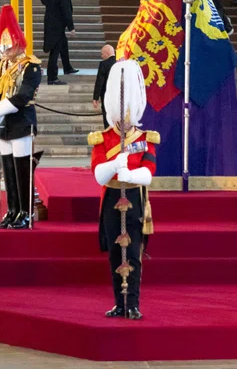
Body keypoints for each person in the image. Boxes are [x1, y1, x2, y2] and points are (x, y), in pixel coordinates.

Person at [88, 60, 158, 320]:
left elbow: (149, 172)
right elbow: (97, 174)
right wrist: (112, 167)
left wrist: (131, 173)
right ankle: (119, 302)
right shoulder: (103, 138)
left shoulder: (145, 138)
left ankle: (134, 304)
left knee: (135, 253)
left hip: (135, 198)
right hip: (111, 198)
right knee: (116, 253)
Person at [0, 6, 42, 230]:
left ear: (17, 43)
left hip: (22, 121)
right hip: (6, 123)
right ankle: (13, 209)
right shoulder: (4, 66)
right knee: (8, 169)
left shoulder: (31, 66)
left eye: (8, 46)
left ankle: (25, 212)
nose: (4, 51)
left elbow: (24, 95)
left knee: (22, 169)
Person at [41, 0, 77, 85]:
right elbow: (67, 12)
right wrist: (71, 28)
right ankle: (52, 77)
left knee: (63, 45)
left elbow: (43, 0)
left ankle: (67, 67)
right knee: (55, 52)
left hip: (49, 25)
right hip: (58, 27)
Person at [92, 44, 116, 129]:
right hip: (119, 98)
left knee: (107, 121)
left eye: (102, 54)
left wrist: (95, 98)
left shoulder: (104, 64)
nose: (102, 56)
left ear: (107, 53)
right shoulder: (120, 63)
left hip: (107, 97)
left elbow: (100, 82)